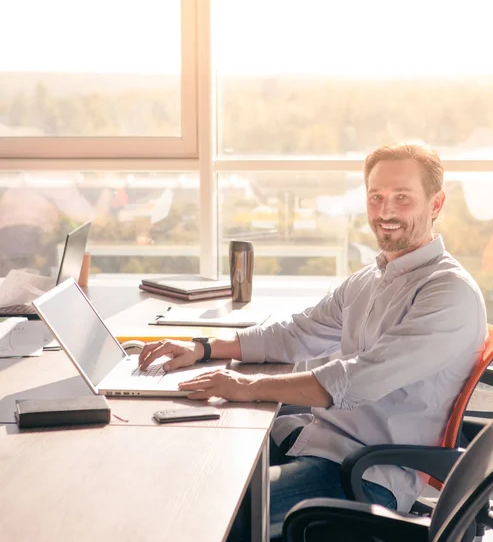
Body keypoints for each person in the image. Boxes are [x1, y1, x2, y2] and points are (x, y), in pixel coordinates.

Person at [138, 142, 488, 539]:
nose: (385, 211)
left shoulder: (447, 293)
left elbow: (356, 380)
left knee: (206, 515)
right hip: (316, 439)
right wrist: (204, 347)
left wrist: (246, 387)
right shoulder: (370, 279)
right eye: (376, 197)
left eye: (402, 198)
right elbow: (298, 332)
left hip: (363, 472)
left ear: (436, 204)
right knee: (180, 471)